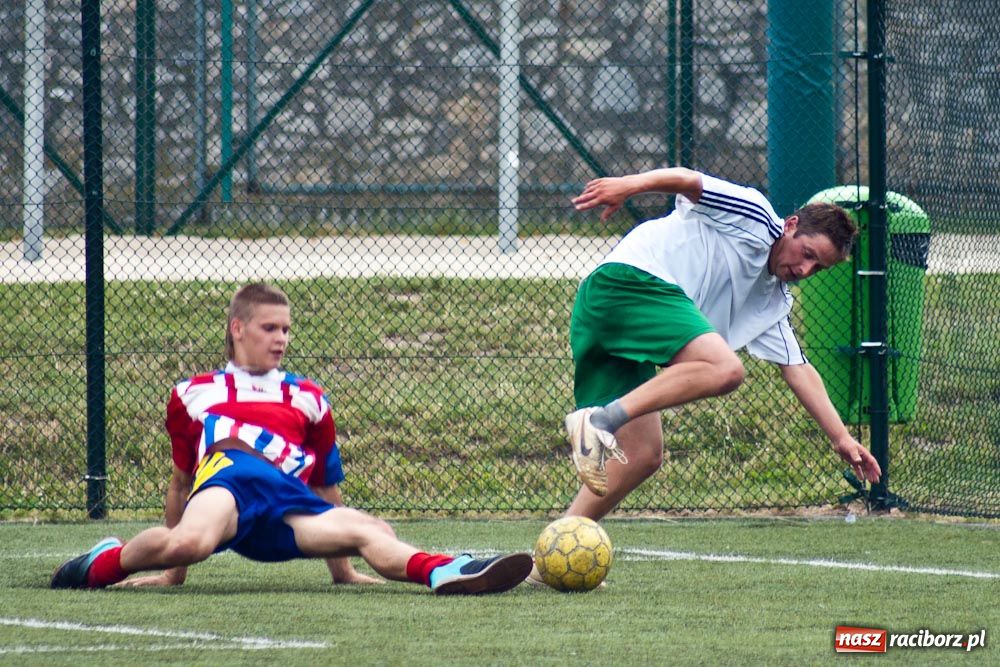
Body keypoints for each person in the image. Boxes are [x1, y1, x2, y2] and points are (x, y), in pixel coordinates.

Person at [52, 283, 531, 595]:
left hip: (286, 506)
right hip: (229, 484)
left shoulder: (309, 397)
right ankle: (104, 562)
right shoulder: (192, 393)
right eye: (269, 328)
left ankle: (449, 570)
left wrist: (342, 571)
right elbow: (181, 481)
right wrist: (174, 573)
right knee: (189, 544)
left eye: (286, 329)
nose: (280, 338)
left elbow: (324, 485)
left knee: (372, 530)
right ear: (238, 329)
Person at [560, 167, 882, 519]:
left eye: (818, 267)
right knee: (725, 368)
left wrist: (842, 439)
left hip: (612, 316)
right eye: (806, 253)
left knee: (643, 455)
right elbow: (688, 180)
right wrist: (629, 185)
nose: (805, 270)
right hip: (627, 283)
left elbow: (798, 369)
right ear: (790, 225)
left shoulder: (772, 301)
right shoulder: (755, 217)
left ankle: (554, 552)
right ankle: (599, 421)